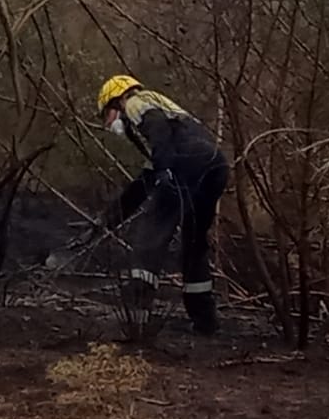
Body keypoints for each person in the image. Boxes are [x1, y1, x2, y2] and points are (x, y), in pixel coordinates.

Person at [92, 75, 229, 335]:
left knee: (149, 237)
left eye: (106, 116)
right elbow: (142, 185)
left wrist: (165, 169)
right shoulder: (172, 134)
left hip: (185, 164)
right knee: (193, 243)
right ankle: (205, 323)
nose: (107, 124)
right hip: (215, 166)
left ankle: (137, 320)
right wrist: (109, 219)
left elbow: (157, 132)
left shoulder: (136, 102)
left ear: (116, 101)